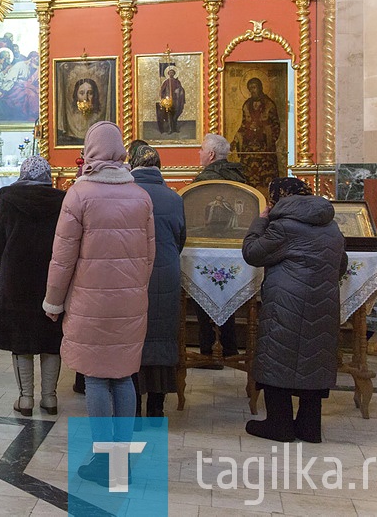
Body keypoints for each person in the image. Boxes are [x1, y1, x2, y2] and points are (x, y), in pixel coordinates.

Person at [43, 121, 155, 483]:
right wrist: (135, 289)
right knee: (123, 377)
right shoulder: (140, 196)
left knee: (94, 379)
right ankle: (120, 461)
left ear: (90, 149)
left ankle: (103, 462)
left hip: (89, 304)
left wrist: (53, 302)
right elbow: (149, 256)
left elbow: (62, 258)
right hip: (130, 302)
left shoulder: (79, 194)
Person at [242, 177, 347, 443]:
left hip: (287, 301)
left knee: (278, 356)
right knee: (315, 357)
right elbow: (341, 265)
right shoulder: (332, 226)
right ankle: (310, 427)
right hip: (324, 302)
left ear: (277, 198)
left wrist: (260, 221)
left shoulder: (283, 227)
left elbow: (253, 253)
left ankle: (279, 425)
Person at [0, 156, 65, 416]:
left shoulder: (8, 200)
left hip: (16, 278)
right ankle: (50, 398)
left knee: (21, 339)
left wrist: (4, 268)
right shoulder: (62, 201)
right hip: (52, 277)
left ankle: (26, 399)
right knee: (51, 336)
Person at [128, 145, 185, 422]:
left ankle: (133, 407)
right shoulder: (174, 199)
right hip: (167, 272)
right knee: (162, 336)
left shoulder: (127, 195)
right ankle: (157, 407)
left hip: (133, 274)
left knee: (134, 340)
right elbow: (180, 238)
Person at [191, 133, 246, 361]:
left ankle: (207, 351)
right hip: (234, 249)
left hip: (206, 249)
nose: (199, 153)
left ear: (211, 154)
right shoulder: (240, 176)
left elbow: (193, 214)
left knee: (204, 297)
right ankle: (230, 348)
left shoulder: (203, 181)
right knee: (230, 299)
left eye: (202, 150)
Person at [231, 77, 282, 191]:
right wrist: (235, 140)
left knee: (266, 179)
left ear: (260, 87)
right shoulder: (247, 105)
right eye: (250, 89)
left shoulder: (269, 104)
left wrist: (263, 130)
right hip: (249, 149)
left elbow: (276, 126)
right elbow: (243, 125)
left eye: (254, 88)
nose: (252, 91)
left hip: (264, 149)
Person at [156, 65, 186, 134]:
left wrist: (179, 90)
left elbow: (181, 89)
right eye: (170, 73)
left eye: (173, 73)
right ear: (168, 74)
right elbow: (162, 91)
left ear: (174, 74)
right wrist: (164, 98)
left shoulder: (177, 82)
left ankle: (174, 128)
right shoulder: (166, 82)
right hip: (168, 102)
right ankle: (170, 129)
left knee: (175, 115)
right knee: (169, 115)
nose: (171, 74)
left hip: (176, 101)